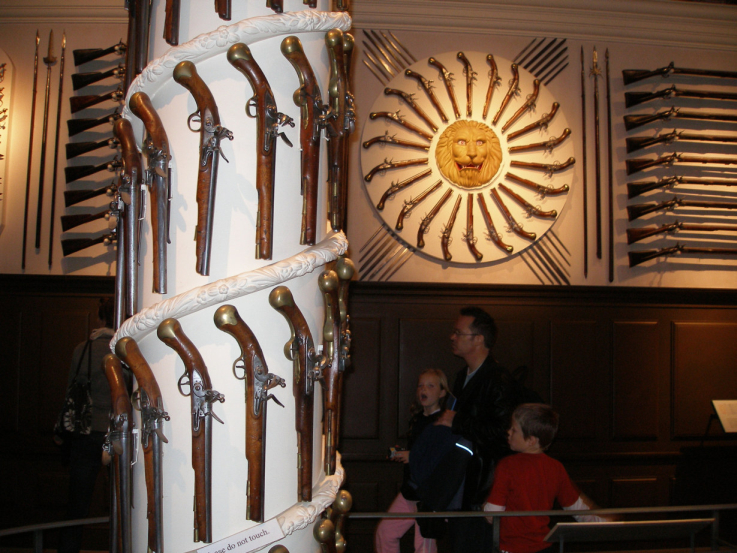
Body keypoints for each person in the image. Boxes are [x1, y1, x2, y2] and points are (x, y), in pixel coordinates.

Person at [435, 306, 519, 552]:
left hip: (483, 488)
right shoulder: (462, 376)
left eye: (458, 333)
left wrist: (458, 421)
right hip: (462, 482)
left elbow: (504, 435)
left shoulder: (498, 379)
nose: (452, 337)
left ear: (479, 339)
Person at [484, 403, 607, 553]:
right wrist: (606, 523)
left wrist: (484, 507)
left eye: (514, 430)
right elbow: (577, 509)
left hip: (512, 547)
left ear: (531, 440)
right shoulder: (556, 467)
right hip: (544, 547)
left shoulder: (507, 465)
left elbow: (492, 514)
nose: (508, 432)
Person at [57, 297, 125, 553]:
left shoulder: (82, 349)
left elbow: (71, 390)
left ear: (99, 317)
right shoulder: (125, 348)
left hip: (85, 431)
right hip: (117, 431)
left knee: (77, 505)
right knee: (123, 501)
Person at [374, 369, 450, 553]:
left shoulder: (445, 422)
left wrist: (413, 456)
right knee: (385, 533)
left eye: (430, 386)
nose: (424, 389)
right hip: (412, 490)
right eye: (420, 385)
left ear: (442, 393)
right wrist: (402, 453)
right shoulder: (418, 419)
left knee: (424, 547)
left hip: (431, 495)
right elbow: (418, 450)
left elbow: (442, 459)